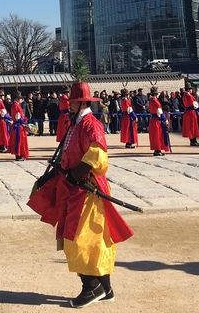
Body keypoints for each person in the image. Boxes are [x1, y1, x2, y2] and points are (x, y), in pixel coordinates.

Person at [27, 81, 134, 308]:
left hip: (87, 189)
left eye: (72, 102)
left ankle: (91, 287)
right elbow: (66, 154)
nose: (69, 106)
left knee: (81, 240)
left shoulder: (90, 125)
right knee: (86, 240)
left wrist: (76, 175)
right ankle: (106, 289)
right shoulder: (75, 124)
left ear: (81, 102)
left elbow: (97, 156)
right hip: (72, 189)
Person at [8, 91, 29, 161]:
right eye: (20, 98)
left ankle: (19, 154)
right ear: (17, 99)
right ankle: (18, 155)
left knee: (19, 140)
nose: (21, 100)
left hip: (17, 124)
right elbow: (18, 117)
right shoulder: (16, 106)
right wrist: (24, 122)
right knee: (19, 141)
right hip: (18, 125)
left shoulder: (15, 105)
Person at [148, 87, 170, 156]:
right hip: (157, 120)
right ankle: (157, 150)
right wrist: (165, 119)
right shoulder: (155, 102)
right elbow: (160, 112)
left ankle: (157, 149)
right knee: (158, 135)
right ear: (155, 94)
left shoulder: (151, 101)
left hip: (154, 119)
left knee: (155, 136)